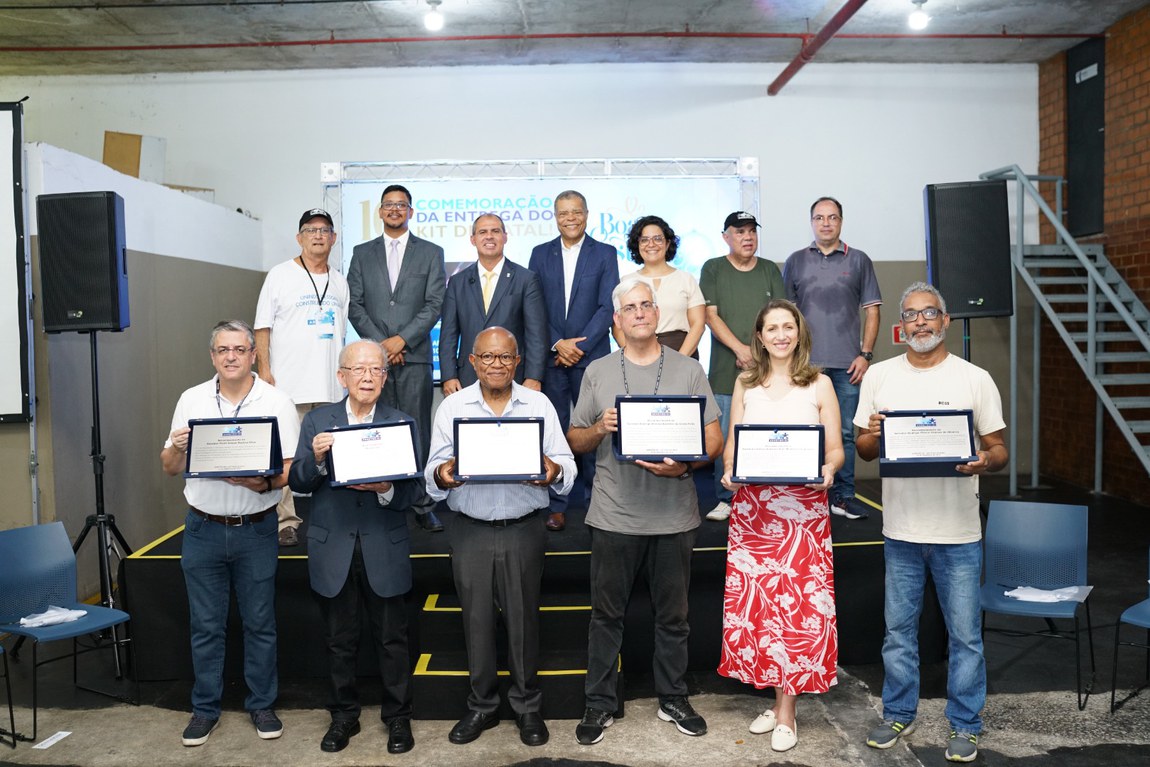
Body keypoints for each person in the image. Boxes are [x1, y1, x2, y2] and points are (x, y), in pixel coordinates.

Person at [855, 282, 1007, 764]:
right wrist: (874, 436)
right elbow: (862, 448)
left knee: (965, 636)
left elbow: (1000, 449)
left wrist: (985, 461)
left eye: (930, 314)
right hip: (900, 530)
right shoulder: (880, 377)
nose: (920, 322)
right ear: (900, 326)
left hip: (958, 533)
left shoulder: (975, 378)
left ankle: (965, 725)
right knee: (898, 633)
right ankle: (898, 712)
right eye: (912, 315)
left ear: (945, 321)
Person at [567, 277, 723, 746]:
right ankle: (598, 703)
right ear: (616, 321)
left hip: (675, 515)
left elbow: (713, 439)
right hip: (614, 515)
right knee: (605, 616)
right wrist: (600, 427)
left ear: (657, 315)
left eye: (646, 305)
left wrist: (686, 464)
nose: (638, 313)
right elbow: (575, 440)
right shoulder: (597, 371)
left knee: (673, 617)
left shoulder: (689, 370)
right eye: (629, 307)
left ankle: (672, 697)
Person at [425, 327, 576, 748]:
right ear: (472, 362)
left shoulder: (538, 404)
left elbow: (565, 462)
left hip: (523, 527)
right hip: (470, 529)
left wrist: (554, 470)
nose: (496, 365)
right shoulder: (453, 406)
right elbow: (432, 471)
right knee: (475, 623)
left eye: (505, 358)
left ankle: (528, 707)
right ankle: (482, 706)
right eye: (487, 358)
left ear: (517, 361)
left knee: (523, 620)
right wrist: (442, 474)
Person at [160, 319, 299, 747]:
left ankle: (261, 704)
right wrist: (179, 449)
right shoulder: (191, 399)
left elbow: (292, 467)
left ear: (253, 354)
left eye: (240, 349)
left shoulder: (276, 400)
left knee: (260, 623)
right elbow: (168, 466)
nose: (232, 357)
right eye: (224, 350)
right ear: (213, 356)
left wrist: (266, 483)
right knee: (205, 625)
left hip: (256, 528)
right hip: (202, 527)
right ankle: (205, 709)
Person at [716, 299, 843, 753]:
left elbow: (835, 451)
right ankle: (775, 699)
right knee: (761, 610)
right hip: (754, 514)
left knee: (795, 611)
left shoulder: (820, 384)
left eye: (788, 327)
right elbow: (733, 446)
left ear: (799, 334)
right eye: (773, 328)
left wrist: (828, 470)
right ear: (760, 335)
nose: (781, 335)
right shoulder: (746, 383)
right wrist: (730, 470)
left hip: (802, 514)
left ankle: (787, 710)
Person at [288, 340, 422, 755]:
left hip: (384, 544)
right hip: (334, 548)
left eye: (376, 370)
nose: (367, 377)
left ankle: (398, 719)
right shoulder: (317, 422)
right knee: (339, 640)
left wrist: (386, 489)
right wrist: (317, 460)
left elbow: (414, 492)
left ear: (386, 376)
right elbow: (297, 481)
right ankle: (343, 716)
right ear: (341, 376)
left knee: (392, 641)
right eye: (358, 369)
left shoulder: (402, 422)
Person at [348, 183, 447, 532]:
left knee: (414, 429)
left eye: (401, 205)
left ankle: (421, 503)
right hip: (373, 364)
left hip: (415, 357)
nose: (394, 210)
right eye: (388, 205)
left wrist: (402, 340)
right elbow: (354, 304)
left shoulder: (431, 252)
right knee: (375, 429)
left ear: (410, 211)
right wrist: (382, 347)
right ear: (379, 211)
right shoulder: (361, 253)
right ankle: (378, 498)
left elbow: (435, 304)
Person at [255, 208, 350, 547]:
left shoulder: (340, 280)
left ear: (334, 238)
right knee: (284, 455)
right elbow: (262, 327)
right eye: (310, 229)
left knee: (327, 455)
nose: (318, 235)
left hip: (329, 387)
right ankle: (286, 522)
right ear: (299, 238)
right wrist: (264, 370)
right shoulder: (279, 276)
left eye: (324, 229)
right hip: (287, 386)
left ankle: (332, 516)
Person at [783, 197, 882, 520]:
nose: (826, 223)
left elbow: (872, 310)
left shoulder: (859, 260)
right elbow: (786, 316)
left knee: (846, 434)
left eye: (832, 217)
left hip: (847, 365)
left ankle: (843, 496)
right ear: (811, 222)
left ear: (841, 221)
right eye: (819, 218)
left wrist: (865, 354)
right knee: (805, 430)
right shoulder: (795, 261)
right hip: (804, 366)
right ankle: (806, 495)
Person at [528, 190, 620, 532]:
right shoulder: (540, 254)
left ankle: (600, 500)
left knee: (595, 431)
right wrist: (557, 343)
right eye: (564, 213)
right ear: (555, 216)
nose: (570, 218)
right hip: (552, 358)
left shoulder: (605, 253)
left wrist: (578, 346)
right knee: (554, 431)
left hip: (592, 358)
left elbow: (607, 306)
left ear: (586, 214)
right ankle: (556, 504)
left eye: (576, 212)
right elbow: (534, 305)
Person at [700, 211, 786, 522]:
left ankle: (764, 497)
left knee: (766, 433)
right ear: (726, 236)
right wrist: (739, 349)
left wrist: (756, 353)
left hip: (768, 371)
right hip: (725, 372)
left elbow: (780, 316)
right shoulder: (713, 268)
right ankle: (725, 498)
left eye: (751, 231)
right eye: (740, 232)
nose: (747, 237)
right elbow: (710, 315)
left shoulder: (769, 270)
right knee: (725, 436)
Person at [439, 213, 547, 394]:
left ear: (505, 237)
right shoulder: (457, 282)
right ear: (473, 239)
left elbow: (536, 334)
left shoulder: (526, 279)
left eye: (495, 231)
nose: (489, 236)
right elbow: (448, 334)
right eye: (482, 232)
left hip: (516, 378)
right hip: (468, 378)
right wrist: (449, 376)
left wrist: (533, 377)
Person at [615, 215, 705, 358]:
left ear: (668, 243)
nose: (651, 244)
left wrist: (680, 360)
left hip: (682, 353)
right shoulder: (626, 282)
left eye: (657, 239)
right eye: (644, 240)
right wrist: (635, 357)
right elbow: (618, 327)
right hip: (639, 355)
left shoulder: (686, 279)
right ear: (637, 245)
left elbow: (698, 324)